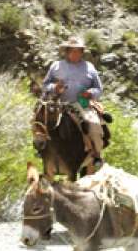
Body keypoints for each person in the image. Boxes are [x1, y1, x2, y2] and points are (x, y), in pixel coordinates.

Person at [42, 36, 106, 167]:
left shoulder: (89, 67)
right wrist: (55, 88)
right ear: (66, 51)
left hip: (82, 104)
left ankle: (97, 155)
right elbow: (45, 85)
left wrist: (90, 93)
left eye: (78, 50)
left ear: (82, 52)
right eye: (72, 50)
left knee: (94, 126)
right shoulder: (56, 66)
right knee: (40, 122)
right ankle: (41, 150)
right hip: (58, 103)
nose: (75, 53)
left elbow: (99, 89)